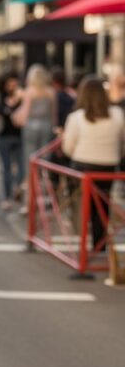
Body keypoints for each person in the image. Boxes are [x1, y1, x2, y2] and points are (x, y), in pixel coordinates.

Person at [62, 75, 125, 250]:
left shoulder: (76, 117)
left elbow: (68, 148)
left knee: (83, 204)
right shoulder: (118, 115)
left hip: (82, 165)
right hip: (108, 166)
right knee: (102, 205)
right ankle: (99, 243)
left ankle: (80, 241)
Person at [11, 64, 55, 211]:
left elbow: (25, 113)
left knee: (30, 163)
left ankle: (29, 202)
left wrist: (14, 117)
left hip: (31, 127)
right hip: (47, 127)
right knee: (44, 164)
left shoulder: (30, 92)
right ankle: (44, 200)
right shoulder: (51, 92)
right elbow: (54, 115)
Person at [0, 72, 24, 210]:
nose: (12, 87)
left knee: (21, 168)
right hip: (4, 136)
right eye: (9, 84)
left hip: (19, 136)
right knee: (6, 169)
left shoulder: (22, 98)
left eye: (14, 84)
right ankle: (7, 197)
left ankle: (18, 189)